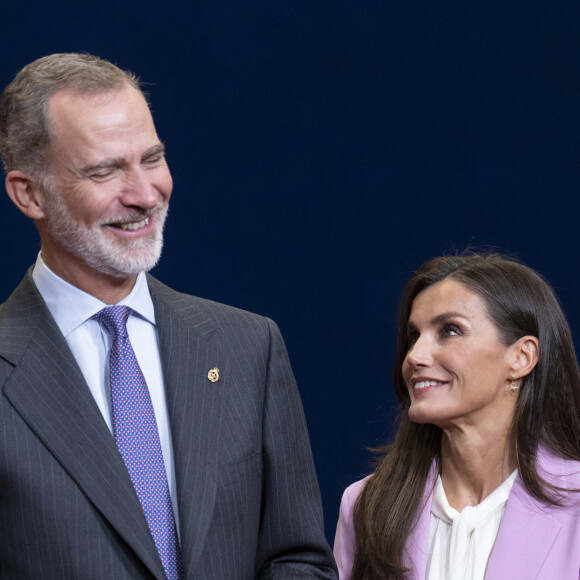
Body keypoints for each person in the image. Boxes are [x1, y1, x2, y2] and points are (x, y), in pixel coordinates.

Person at [0, 53, 337, 580]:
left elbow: (297, 560)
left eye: (151, 159)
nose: (143, 195)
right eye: (105, 171)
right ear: (29, 194)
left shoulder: (248, 346)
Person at [334, 253, 580, 580]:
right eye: (413, 337)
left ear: (521, 357)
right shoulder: (364, 507)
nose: (414, 356)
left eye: (450, 330)